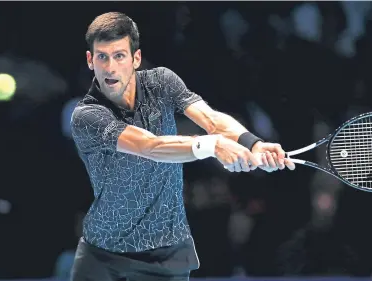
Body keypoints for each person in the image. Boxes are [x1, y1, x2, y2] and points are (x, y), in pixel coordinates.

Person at [70, 11, 295, 281]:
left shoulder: (162, 82)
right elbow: (149, 146)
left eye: (119, 55)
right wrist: (211, 145)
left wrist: (253, 143)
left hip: (167, 254)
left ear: (136, 59)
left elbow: (211, 120)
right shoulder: (87, 116)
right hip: (103, 256)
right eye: (102, 56)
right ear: (90, 60)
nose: (110, 67)